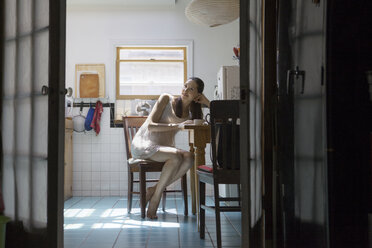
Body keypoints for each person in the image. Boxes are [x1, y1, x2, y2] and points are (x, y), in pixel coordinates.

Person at [131, 77, 210, 219]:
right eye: (185, 86)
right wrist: (176, 126)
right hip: (144, 143)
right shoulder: (166, 99)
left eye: (191, 89)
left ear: (197, 95)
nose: (185, 90)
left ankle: (153, 190)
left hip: (164, 148)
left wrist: (206, 102)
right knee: (176, 156)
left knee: (190, 157)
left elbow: (218, 117)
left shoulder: (193, 114)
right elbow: (150, 126)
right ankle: (155, 199)